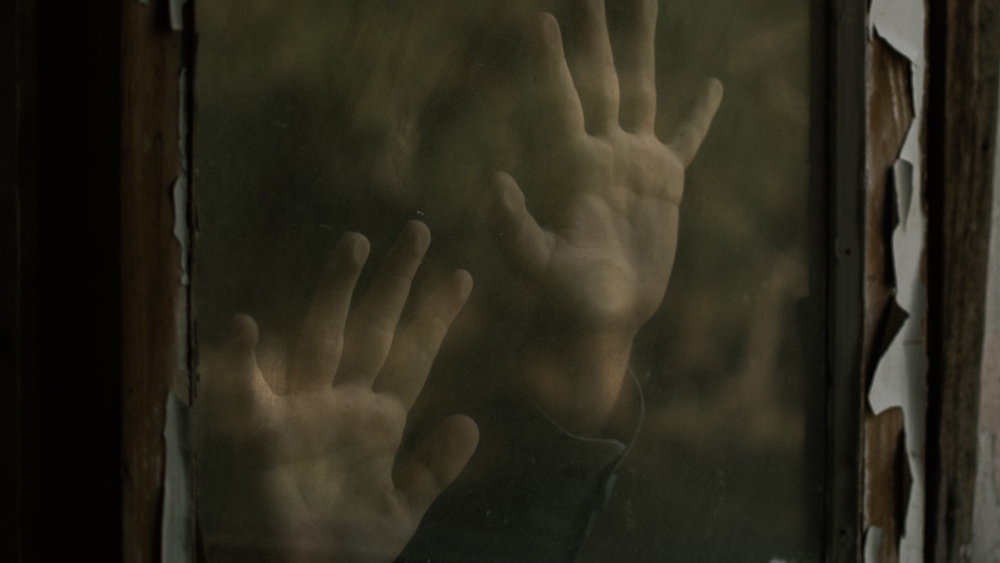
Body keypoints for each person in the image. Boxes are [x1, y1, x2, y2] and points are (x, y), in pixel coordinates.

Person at [196, 0, 722, 561]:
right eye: (295, 345)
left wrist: (597, 338)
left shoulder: (408, 508)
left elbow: (522, 528)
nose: (340, 389)